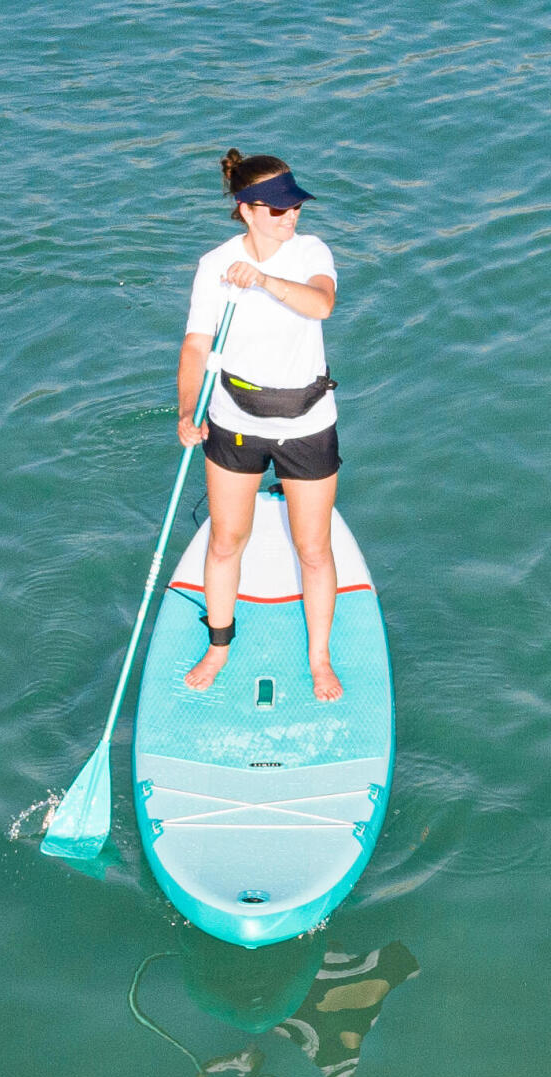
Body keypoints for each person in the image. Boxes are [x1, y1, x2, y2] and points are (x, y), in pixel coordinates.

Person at [177, 150, 343, 701]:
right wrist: (186, 409)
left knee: (313, 548)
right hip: (234, 422)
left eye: (294, 205)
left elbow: (321, 305)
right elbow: (197, 344)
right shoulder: (214, 265)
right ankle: (219, 645)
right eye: (276, 209)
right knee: (227, 541)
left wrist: (265, 281)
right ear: (247, 210)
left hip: (307, 424)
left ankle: (319, 659)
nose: (289, 216)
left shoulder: (311, 251)